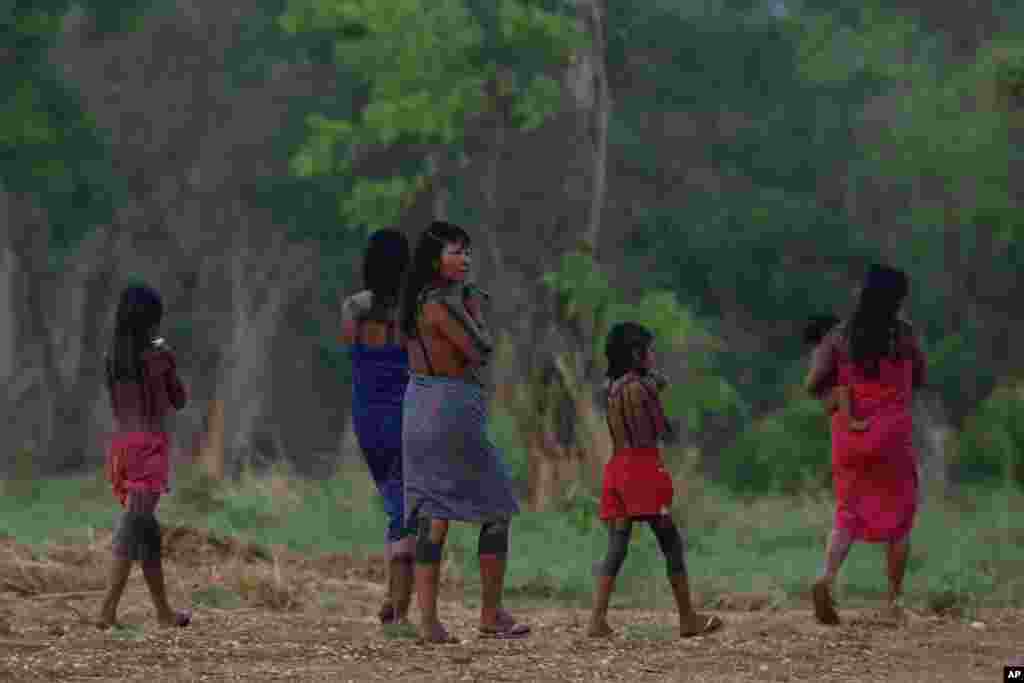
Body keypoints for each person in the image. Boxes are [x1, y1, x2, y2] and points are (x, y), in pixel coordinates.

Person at [400, 220, 529, 643]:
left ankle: (429, 622)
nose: (465, 259)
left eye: (467, 251)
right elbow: (480, 352)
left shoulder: (416, 302)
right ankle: (489, 615)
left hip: (418, 404)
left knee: (433, 516)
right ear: (434, 259)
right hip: (452, 410)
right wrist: (475, 312)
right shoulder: (443, 304)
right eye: (456, 251)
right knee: (496, 508)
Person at [805, 265, 926, 625]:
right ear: (898, 299)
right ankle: (894, 603)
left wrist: (843, 400)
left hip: (849, 437)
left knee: (848, 510)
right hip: (891, 435)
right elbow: (919, 377)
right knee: (901, 516)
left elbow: (813, 384)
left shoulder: (839, 337)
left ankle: (826, 578)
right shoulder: (904, 336)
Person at [588, 322, 724, 639]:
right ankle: (688, 618)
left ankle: (597, 619)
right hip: (641, 468)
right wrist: (655, 391)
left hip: (616, 467)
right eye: (649, 350)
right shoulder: (641, 388)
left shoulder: (612, 387)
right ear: (636, 354)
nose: (653, 354)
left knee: (617, 545)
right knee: (671, 542)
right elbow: (662, 430)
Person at [98, 285, 191, 629]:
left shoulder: (113, 357)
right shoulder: (157, 358)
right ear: (151, 321)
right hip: (149, 447)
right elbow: (178, 399)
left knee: (147, 530)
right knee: (135, 524)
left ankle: (164, 613)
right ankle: (107, 610)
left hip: (123, 446)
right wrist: (169, 359)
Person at [339, 229, 415, 625]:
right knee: (406, 510)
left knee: (394, 502)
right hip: (407, 415)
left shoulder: (353, 307)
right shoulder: (414, 311)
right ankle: (400, 612)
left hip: (367, 417)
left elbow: (351, 350)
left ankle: (392, 597)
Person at [803, 315, 868, 432]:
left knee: (842, 390)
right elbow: (819, 371)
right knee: (841, 391)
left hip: (830, 396)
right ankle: (850, 422)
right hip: (829, 397)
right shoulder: (823, 348)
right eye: (836, 330)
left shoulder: (826, 347)